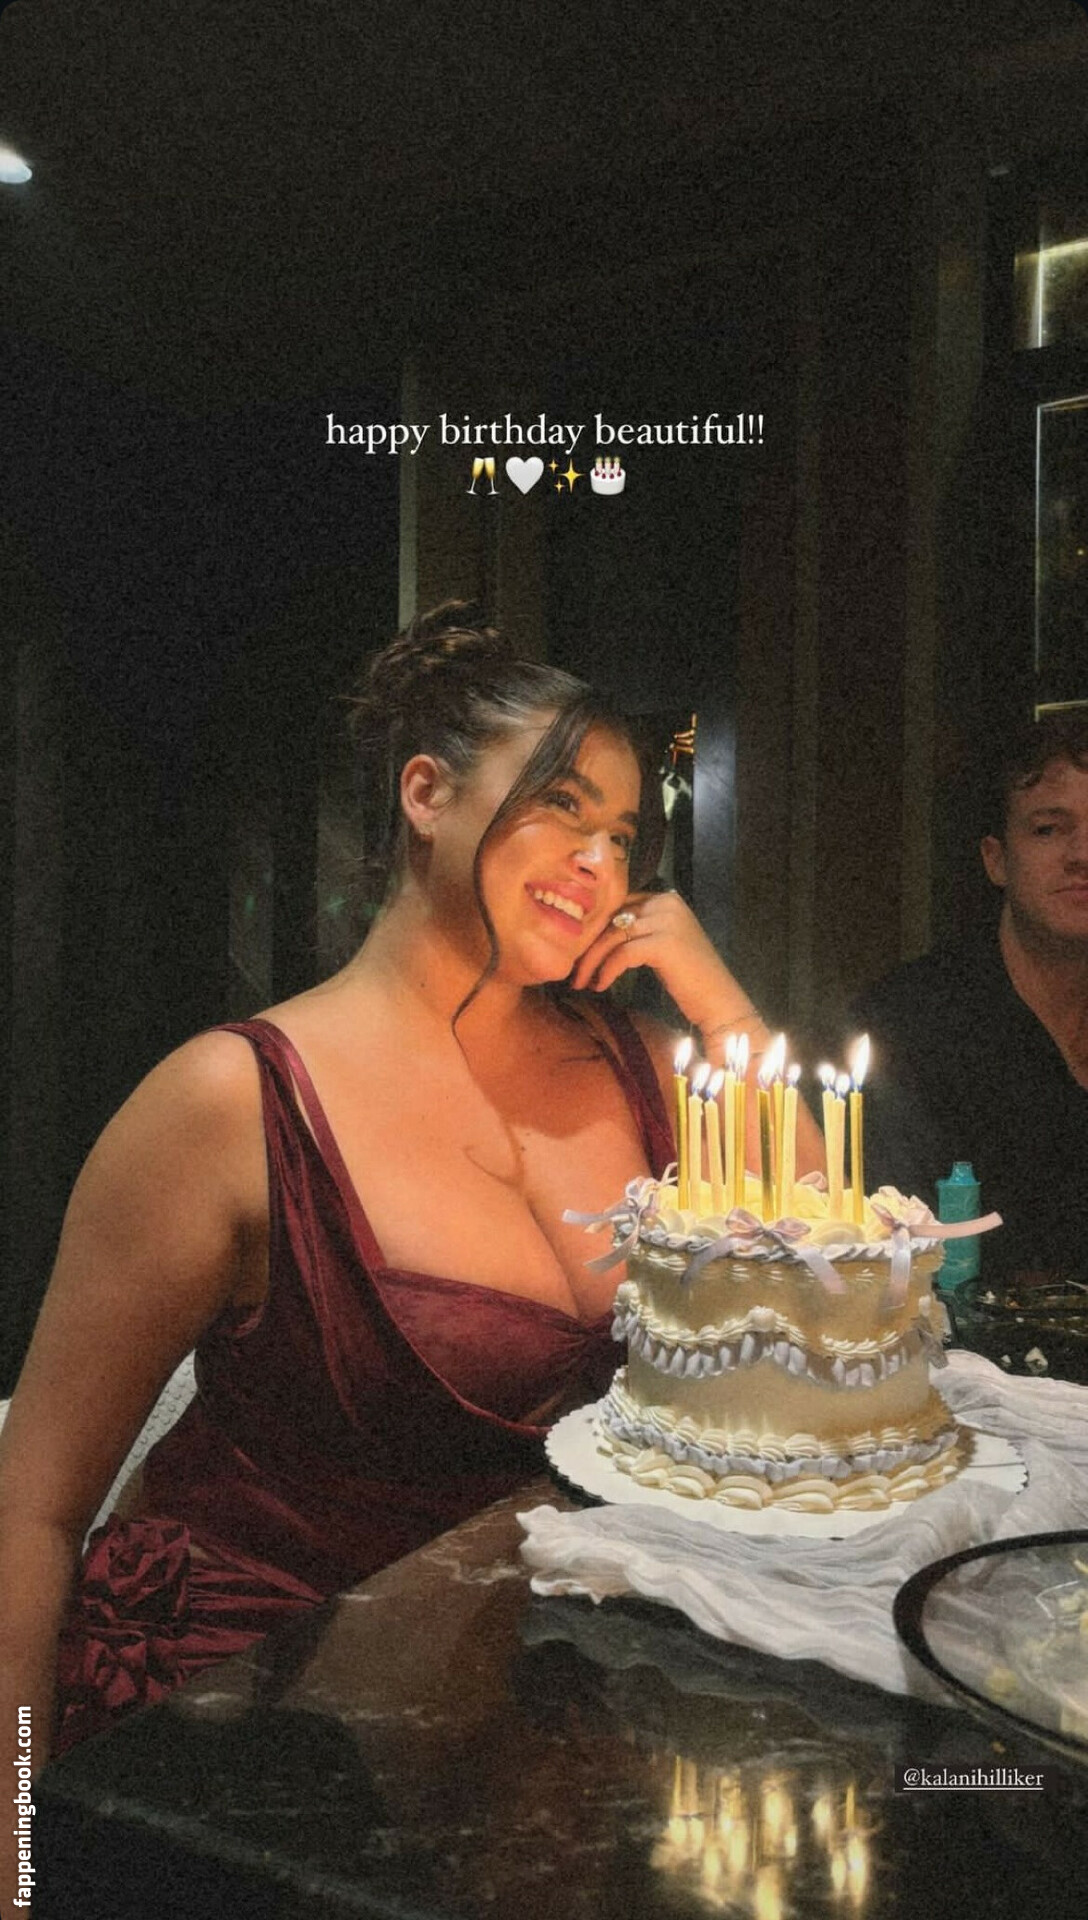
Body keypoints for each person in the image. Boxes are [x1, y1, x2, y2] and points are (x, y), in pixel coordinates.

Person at [0, 602, 818, 1787]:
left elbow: (824, 1288)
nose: (599, 864)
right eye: (560, 805)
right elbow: (30, 1515)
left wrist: (715, 997)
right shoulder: (229, 1102)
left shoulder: (644, 1066)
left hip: (528, 1710)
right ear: (426, 794)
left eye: (624, 835)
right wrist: (17, 1842)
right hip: (234, 1724)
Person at [849, 710, 1088, 1282]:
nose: (1082, 853)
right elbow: (894, 1259)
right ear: (996, 859)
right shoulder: (909, 1025)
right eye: (1048, 829)